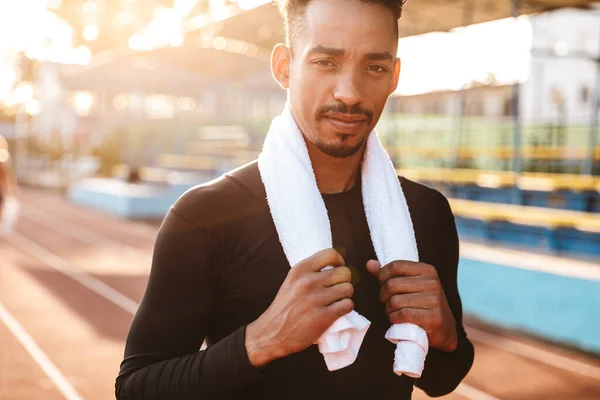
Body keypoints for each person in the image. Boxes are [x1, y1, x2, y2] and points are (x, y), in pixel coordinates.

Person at [115, 0, 474, 398]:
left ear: (394, 76)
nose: (350, 93)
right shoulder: (206, 215)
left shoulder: (425, 213)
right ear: (284, 67)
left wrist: (445, 337)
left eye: (374, 67)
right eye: (326, 62)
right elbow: (136, 389)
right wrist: (262, 341)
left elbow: (442, 379)